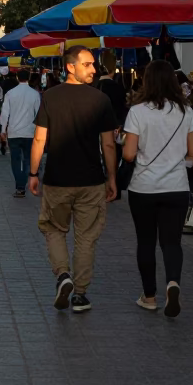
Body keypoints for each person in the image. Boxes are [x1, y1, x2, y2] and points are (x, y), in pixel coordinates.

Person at [29, 46, 118, 313]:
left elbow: (39, 139)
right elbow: (109, 144)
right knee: (86, 237)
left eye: (93, 65)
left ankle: (62, 275)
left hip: (57, 179)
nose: (93, 69)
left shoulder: (50, 97)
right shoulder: (100, 100)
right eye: (88, 64)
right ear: (71, 67)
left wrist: (33, 174)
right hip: (91, 180)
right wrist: (112, 177)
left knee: (54, 229)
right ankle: (80, 294)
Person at [122, 61, 193, 317]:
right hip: (176, 186)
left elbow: (130, 154)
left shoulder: (137, 112)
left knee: (146, 242)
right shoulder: (186, 111)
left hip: (143, 188)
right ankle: (173, 283)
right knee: (172, 242)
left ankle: (149, 296)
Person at [0, 68, 41, 198]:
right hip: (30, 131)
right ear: (29, 77)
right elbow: (39, 114)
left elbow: (5, 113)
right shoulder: (34, 94)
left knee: (15, 160)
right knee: (28, 159)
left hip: (14, 131)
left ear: (17, 77)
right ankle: (27, 181)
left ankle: (20, 186)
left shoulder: (11, 93)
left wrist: (2, 130)